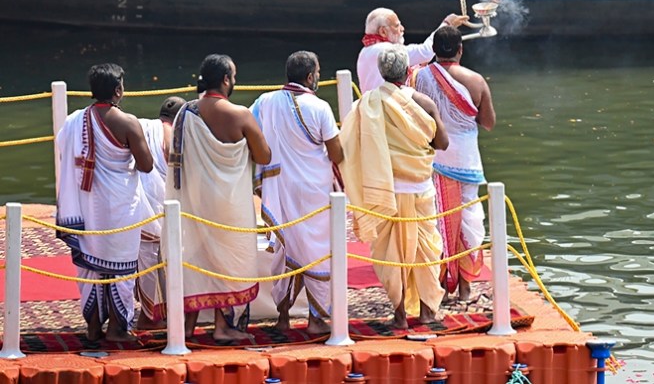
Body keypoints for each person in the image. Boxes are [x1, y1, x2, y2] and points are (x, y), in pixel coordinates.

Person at [340, 45, 449, 329]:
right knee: (426, 250)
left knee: (389, 253)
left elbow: (350, 145)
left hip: (384, 190)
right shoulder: (423, 103)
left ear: (381, 72)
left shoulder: (366, 104)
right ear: (407, 71)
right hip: (420, 187)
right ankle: (426, 312)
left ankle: (400, 315)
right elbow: (443, 143)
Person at [166, 54, 271, 341]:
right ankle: (223, 327)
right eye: (233, 76)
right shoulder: (240, 115)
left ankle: (186, 328)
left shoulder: (184, 112)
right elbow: (264, 155)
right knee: (228, 263)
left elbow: (176, 161)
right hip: (230, 205)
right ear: (225, 79)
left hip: (196, 202)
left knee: (196, 261)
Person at [55, 63, 154, 342]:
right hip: (119, 206)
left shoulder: (74, 121)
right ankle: (116, 331)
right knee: (120, 267)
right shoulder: (127, 122)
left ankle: (94, 327)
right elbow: (146, 165)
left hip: (87, 206)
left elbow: (64, 148)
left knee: (93, 267)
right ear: (118, 90)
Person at [250, 51, 343, 335]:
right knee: (316, 251)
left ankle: (283, 318)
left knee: (285, 248)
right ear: (311, 76)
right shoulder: (320, 107)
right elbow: (336, 153)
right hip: (313, 191)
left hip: (279, 189)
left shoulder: (265, 101)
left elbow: (251, 131)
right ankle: (316, 319)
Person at [411, 26, 496, 301]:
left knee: (437, 220)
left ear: (434, 51)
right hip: (467, 160)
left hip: (434, 157)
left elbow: (416, 116)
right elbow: (489, 123)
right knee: (469, 221)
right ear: (460, 49)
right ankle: (465, 288)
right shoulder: (476, 80)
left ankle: (438, 286)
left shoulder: (421, 76)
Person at [134, 96, 186, 330]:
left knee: (144, 259)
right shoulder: (174, 136)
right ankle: (148, 317)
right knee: (156, 258)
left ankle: (147, 312)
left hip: (132, 203)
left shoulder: (141, 125)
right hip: (156, 207)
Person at [356, 8, 469, 93]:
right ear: (383, 32)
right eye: (397, 26)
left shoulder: (364, 52)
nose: (402, 29)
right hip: (386, 111)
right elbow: (425, 52)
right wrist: (447, 24)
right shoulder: (386, 50)